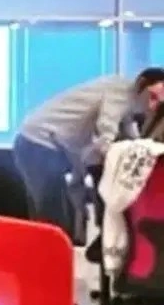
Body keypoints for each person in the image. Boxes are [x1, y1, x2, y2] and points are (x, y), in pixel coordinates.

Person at [13, 68, 164, 234]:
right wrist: (114, 156)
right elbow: (106, 127)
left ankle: (47, 248)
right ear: (141, 84)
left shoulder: (128, 102)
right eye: (152, 96)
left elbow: (128, 133)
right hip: (38, 141)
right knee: (53, 216)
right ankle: (48, 249)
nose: (153, 106)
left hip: (41, 143)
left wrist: (140, 148)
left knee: (54, 215)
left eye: (159, 102)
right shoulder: (120, 90)